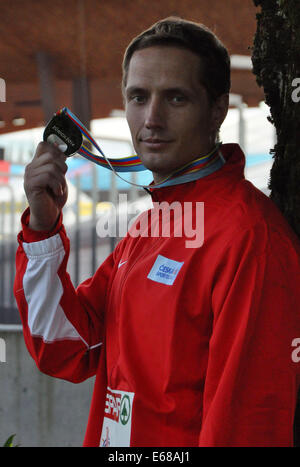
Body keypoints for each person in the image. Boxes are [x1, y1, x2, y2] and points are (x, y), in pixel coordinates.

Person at [14, 17, 300, 447]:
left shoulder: (249, 238)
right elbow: (65, 348)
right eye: (138, 96)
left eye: (176, 98)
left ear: (217, 109)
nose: (152, 119)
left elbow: (245, 426)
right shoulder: (153, 226)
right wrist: (42, 227)